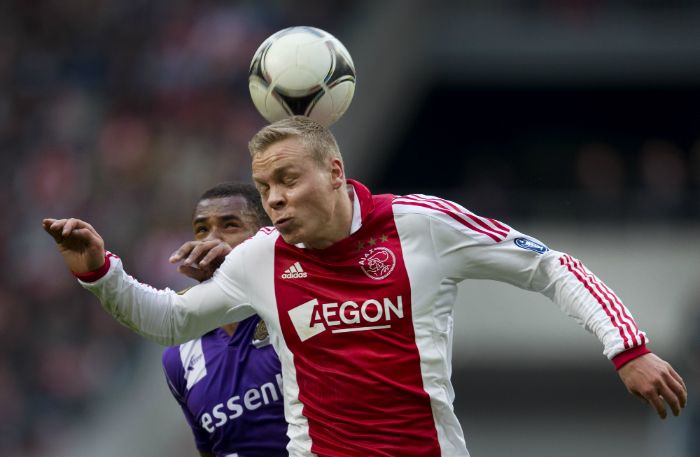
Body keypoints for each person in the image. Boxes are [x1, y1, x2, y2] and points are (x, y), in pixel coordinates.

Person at [44, 116, 687, 457]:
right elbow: (168, 320)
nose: (275, 199)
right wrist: (100, 271)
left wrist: (627, 347)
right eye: (265, 187)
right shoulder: (261, 258)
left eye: (288, 180)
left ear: (334, 171)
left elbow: (549, 265)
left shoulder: (421, 225)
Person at [161, 182, 289, 457]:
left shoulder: (296, 311)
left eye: (230, 225)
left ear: (264, 236)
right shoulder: (179, 357)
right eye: (201, 229)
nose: (211, 240)